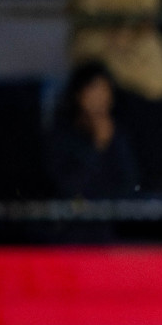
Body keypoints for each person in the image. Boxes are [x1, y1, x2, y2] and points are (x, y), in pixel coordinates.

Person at [45, 62, 141, 243]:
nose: (101, 98)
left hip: (111, 229)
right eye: (94, 90)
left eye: (106, 90)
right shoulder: (61, 135)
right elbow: (69, 189)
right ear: (79, 94)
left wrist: (110, 143)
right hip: (68, 231)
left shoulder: (118, 134)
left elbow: (130, 185)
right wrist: (97, 146)